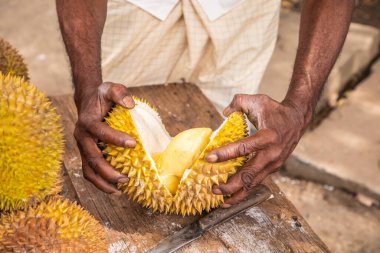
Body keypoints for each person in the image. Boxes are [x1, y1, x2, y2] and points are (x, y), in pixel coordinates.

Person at [56, 0, 354, 208]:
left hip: (243, 13)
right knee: (109, 133)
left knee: (229, 145)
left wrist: (299, 108)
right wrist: (87, 86)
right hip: (136, 9)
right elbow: (94, 96)